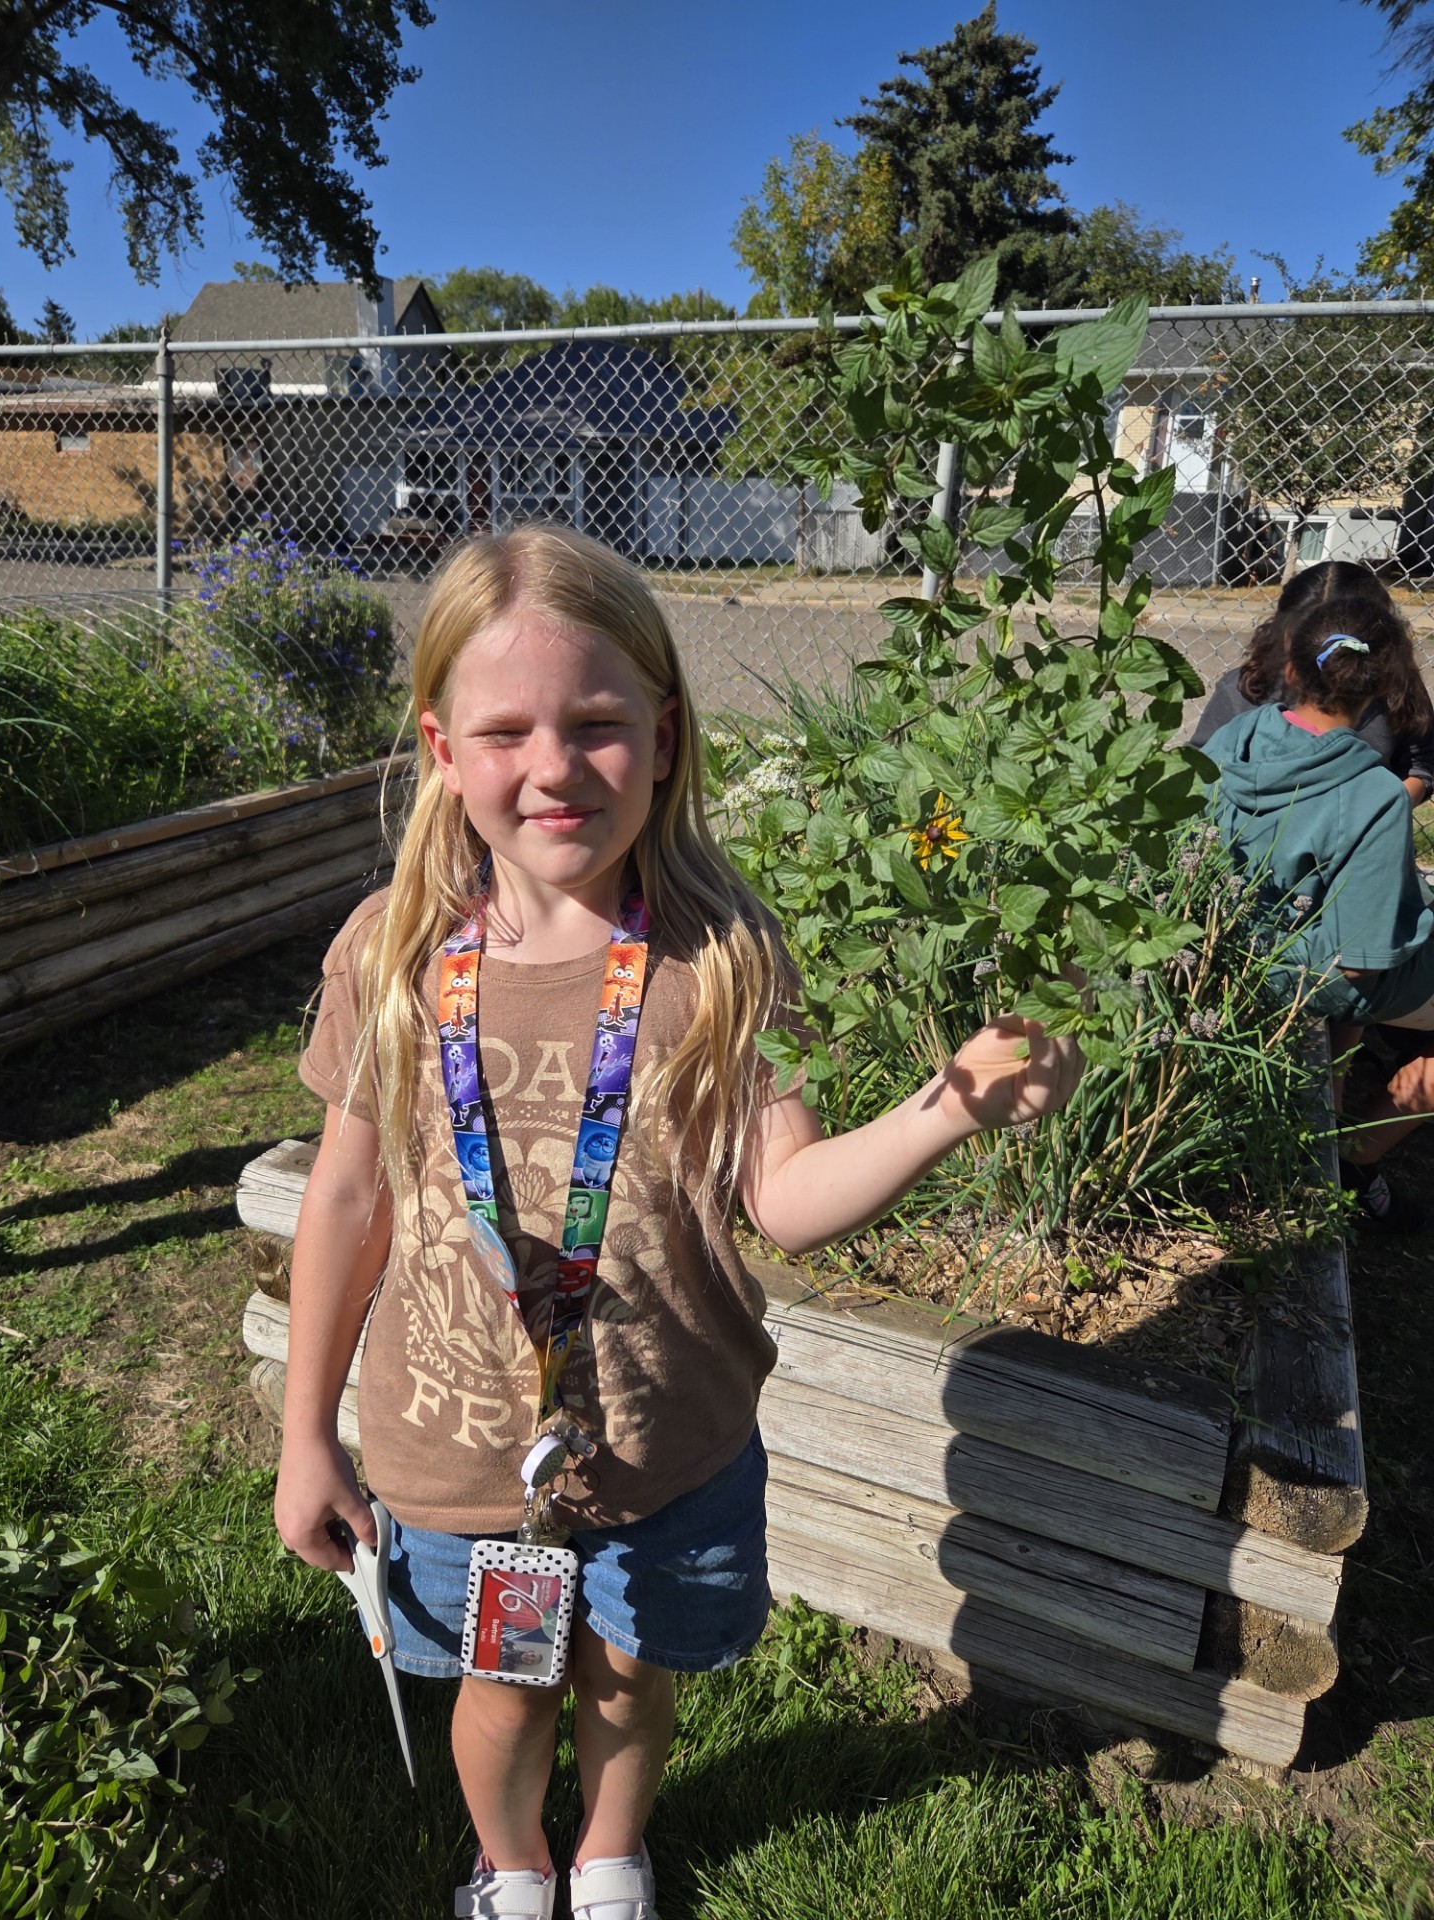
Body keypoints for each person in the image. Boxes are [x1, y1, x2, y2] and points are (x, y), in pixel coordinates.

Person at [273, 526, 1082, 1920]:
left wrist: (945, 1104)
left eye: (595, 725)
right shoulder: (388, 952)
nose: (552, 768)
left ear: (661, 731)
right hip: (461, 1460)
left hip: (667, 1446)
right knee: (503, 1683)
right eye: (506, 730)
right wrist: (303, 1434)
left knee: (632, 1673)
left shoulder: (722, 953)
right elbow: (346, 1201)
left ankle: (609, 1852)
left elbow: (787, 1200)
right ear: (443, 747)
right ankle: (515, 1865)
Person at [1203, 592, 1434, 1227]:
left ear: (1291, 669)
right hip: (1310, 976)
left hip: (1222, 952)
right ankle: (1344, 1164)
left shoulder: (1234, 738)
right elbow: (1355, 966)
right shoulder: (1376, 796)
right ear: (1386, 685)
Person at [1191, 560, 1434, 805]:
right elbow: (1201, 762)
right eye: (1307, 637)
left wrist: (1379, 811)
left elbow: (1421, 766)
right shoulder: (1245, 687)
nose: (1326, 654)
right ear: (1283, 628)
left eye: (1340, 643)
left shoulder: (1398, 689)